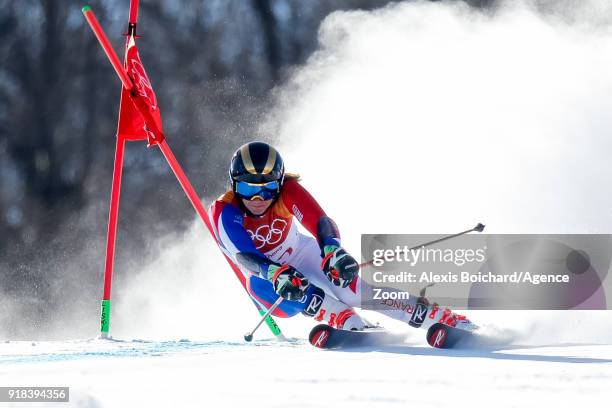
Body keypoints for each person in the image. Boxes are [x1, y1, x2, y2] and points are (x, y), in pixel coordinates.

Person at [210, 141, 476, 334]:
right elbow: (243, 254)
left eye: (267, 189)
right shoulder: (225, 210)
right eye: (247, 188)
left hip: (300, 252)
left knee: (354, 291)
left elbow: (321, 222)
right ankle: (341, 317)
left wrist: (332, 251)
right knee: (289, 292)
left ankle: (430, 314)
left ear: (278, 184)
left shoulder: (288, 191)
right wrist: (274, 273)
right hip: (263, 273)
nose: (257, 199)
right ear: (234, 185)